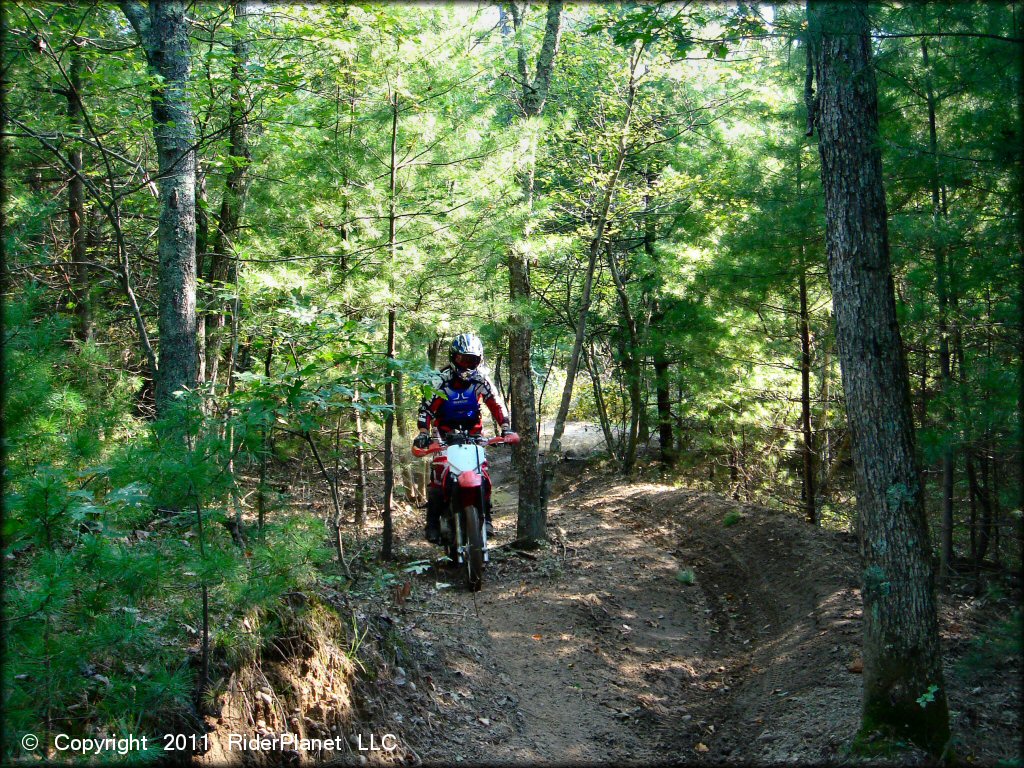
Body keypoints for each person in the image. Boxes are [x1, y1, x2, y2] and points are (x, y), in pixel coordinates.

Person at [414, 333, 515, 543]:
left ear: (479, 361)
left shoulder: (480, 380)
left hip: (473, 435)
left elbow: (496, 403)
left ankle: (486, 517)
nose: (467, 366)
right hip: (443, 435)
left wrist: (505, 427)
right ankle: (432, 522)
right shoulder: (439, 381)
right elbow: (426, 409)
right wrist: (423, 433)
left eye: (472, 361)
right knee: (438, 476)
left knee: (482, 472)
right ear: (453, 358)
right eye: (463, 359)